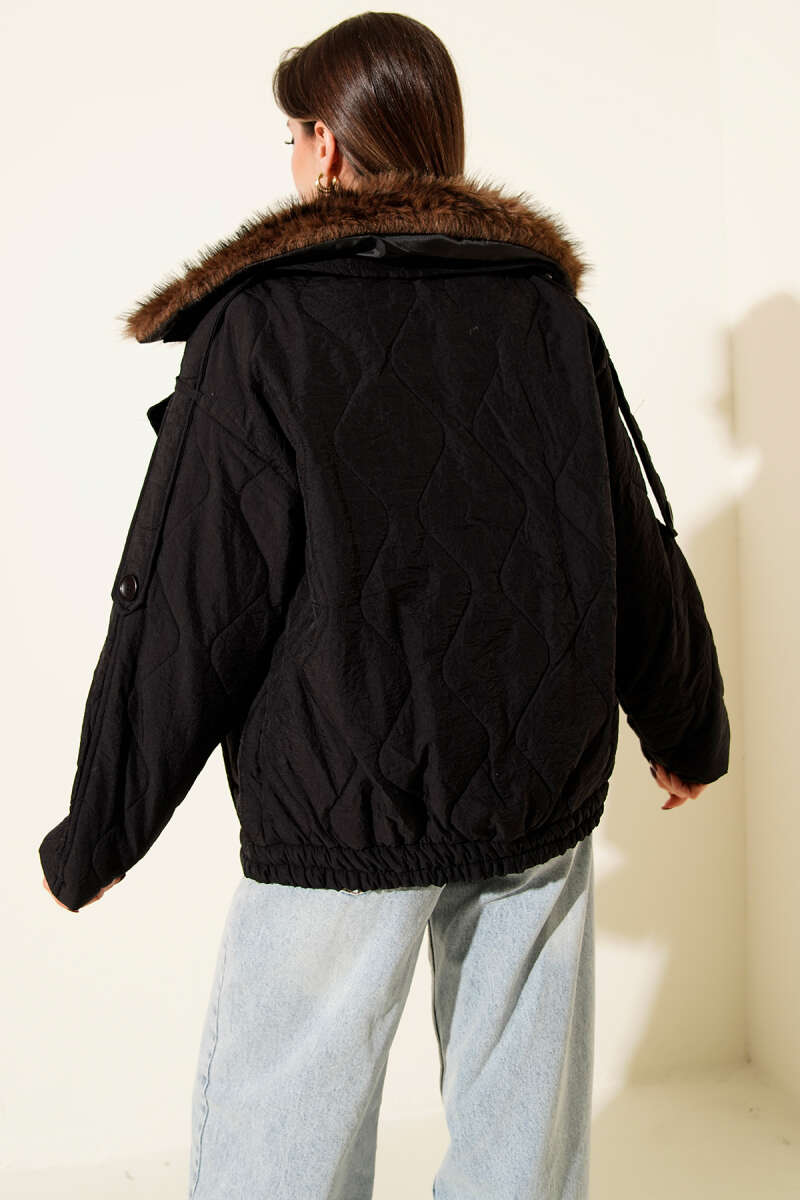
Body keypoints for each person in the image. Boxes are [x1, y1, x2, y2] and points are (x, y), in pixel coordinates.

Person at [38, 11, 730, 1198]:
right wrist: (685, 729)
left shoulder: (260, 323)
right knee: (521, 1151)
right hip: (534, 785)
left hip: (338, 797)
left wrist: (105, 825)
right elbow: (628, 537)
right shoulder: (544, 313)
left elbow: (192, 592)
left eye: (294, 135)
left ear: (324, 145)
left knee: (283, 1151)